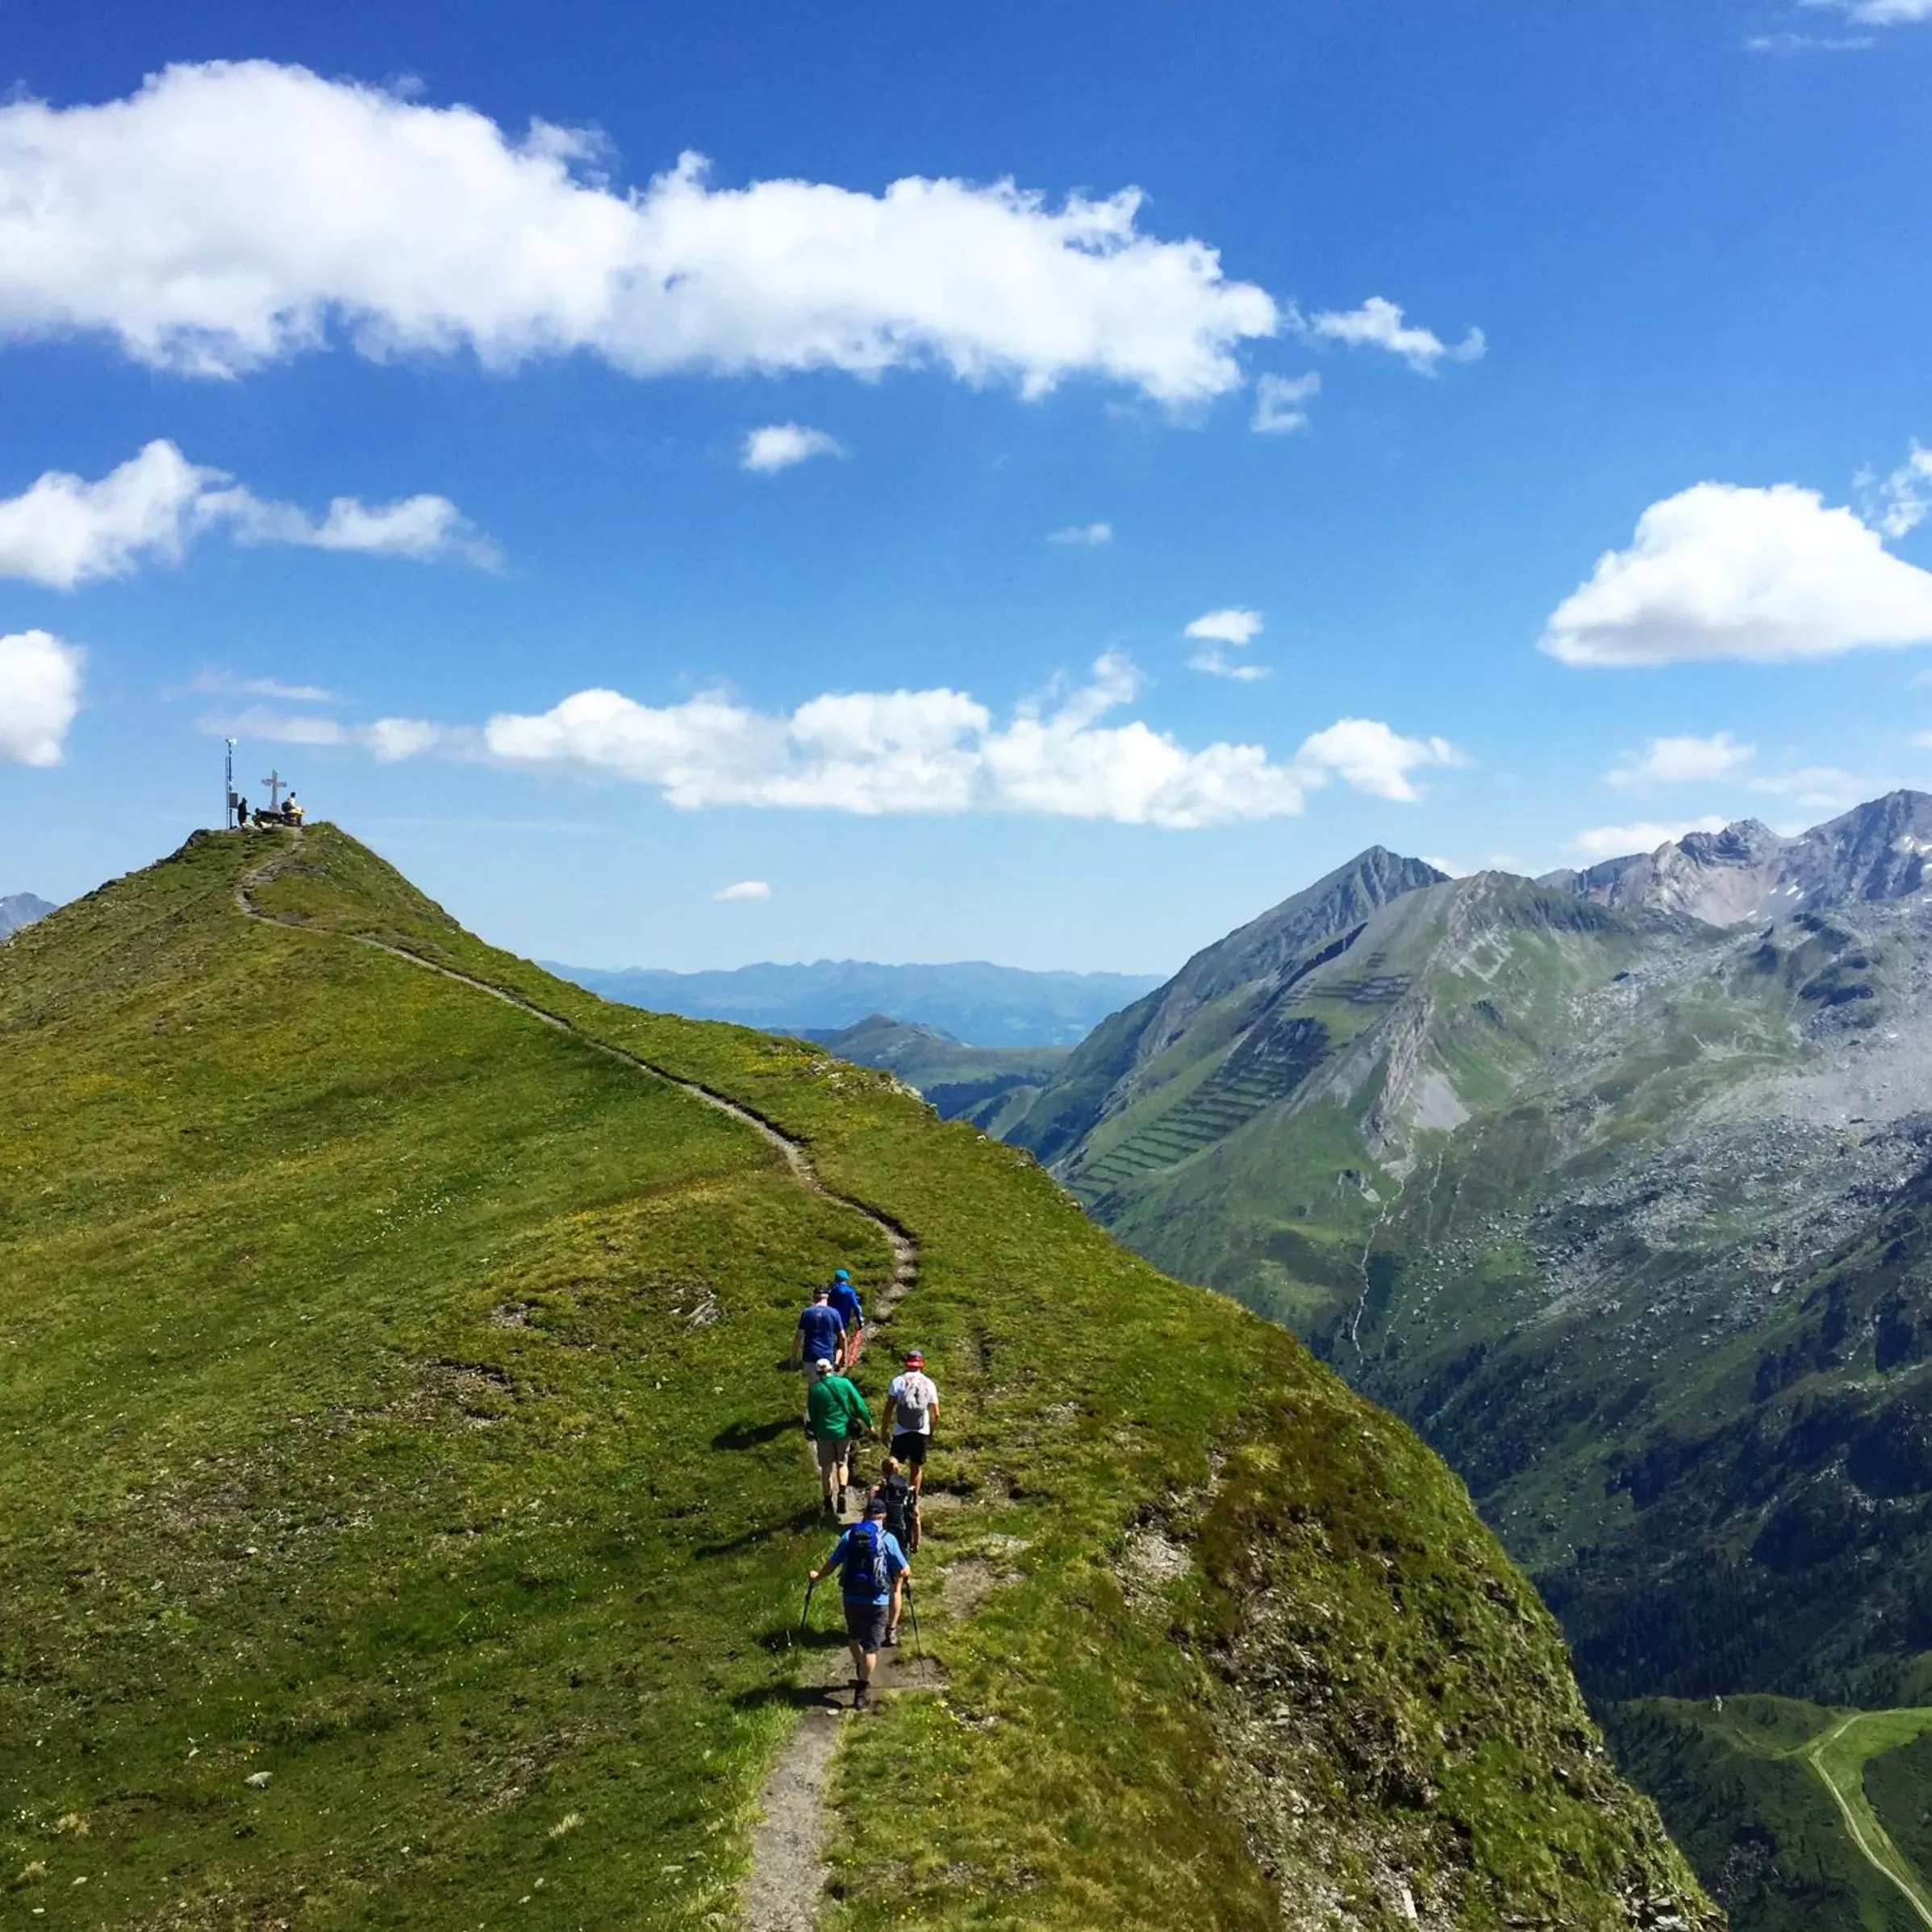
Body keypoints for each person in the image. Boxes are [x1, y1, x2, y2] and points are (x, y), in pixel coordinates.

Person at [808, 1493, 908, 1709]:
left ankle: (861, 1667)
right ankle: (861, 1691)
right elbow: (903, 1569)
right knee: (871, 1649)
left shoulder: (849, 1535)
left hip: (851, 1597)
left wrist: (817, 1577)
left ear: (865, 1514)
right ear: (884, 1516)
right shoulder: (888, 1539)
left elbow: (832, 1563)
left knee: (854, 1640)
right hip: (877, 1600)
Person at [806, 1358, 872, 1516]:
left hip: (824, 1433)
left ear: (817, 1373)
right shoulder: (844, 1383)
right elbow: (859, 1404)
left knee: (826, 1469)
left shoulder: (815, 1391)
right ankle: (842, 1493)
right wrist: (868, 1422)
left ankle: (828, 1502)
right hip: (843, 1432)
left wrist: (815, 1431)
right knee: (842, 1463)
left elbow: (813, 1416)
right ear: (831, 1369)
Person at [881, 1350, 940, 1496]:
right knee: (916, 1467)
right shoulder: (929, 1383)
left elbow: (888, 1410)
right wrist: (931, 1431)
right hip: (921, 1430)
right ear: (921, 1365)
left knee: (895, 1459)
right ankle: (913, 1501)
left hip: (901, 1429)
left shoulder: (898, 1381)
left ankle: (895, 1491)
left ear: (906, 1364)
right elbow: (936, 1414)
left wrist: (884, 1431)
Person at [789, 1287, 847, 1412]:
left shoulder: (807, 1312)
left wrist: (793, 1357)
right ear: (827, 1298)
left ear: (814, 1297)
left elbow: (799, 1336)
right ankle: (826, 1414)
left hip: (810, 1355)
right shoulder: (834, 1313)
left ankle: (811, 1419)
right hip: (827, 1355)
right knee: (828, 1388)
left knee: (813, 1389)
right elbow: (842, 1337)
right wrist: (843, 1356)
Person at [868, 1455, 920, 1580]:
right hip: (903, 1535)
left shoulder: (878, 1490)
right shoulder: (908, 1491)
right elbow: (916, 1519)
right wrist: (916, 1542)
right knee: (899, 1579)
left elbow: (869, 1515)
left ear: (882, 1471)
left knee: (882, 1574)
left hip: (883, 1536)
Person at [826, 1267, 866, 1365]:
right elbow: (856, 1307)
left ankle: (828, 1358)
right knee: (841, 1341)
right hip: (843, 1320)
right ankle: (838, 1361)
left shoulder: (831, 1290)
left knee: (830, 1339)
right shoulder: (849, 1291)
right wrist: (860, 1320)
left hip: (829, 1318)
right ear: (846, 1279)